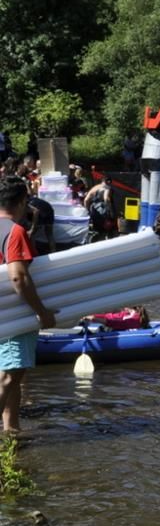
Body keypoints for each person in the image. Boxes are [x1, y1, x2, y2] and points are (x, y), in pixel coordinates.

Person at [0, 176, 57, 434]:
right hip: (13, 316)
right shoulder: (15, 231)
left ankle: (11, 431)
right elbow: (18, 277)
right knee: (10, 375)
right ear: (23, 201)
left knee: (14, 377)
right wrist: (42, 312)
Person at [83, 306, 150, 330]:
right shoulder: (128, 313)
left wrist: (95, 319)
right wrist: (93, 316)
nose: (124, 308)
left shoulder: (135, 318)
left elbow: (117, 324)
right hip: (115, 324)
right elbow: (109, 316)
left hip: (120, 329)